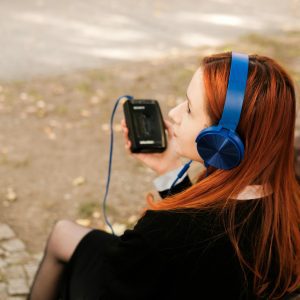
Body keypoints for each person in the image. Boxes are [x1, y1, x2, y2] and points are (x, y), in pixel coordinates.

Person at [28, 52, 300, 300]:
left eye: (190, 109)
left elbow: (118, 282)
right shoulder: (286, 201)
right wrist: (168, 169)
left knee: (62, 233)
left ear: (222, 140)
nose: (174, 113)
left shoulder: (166, 231)